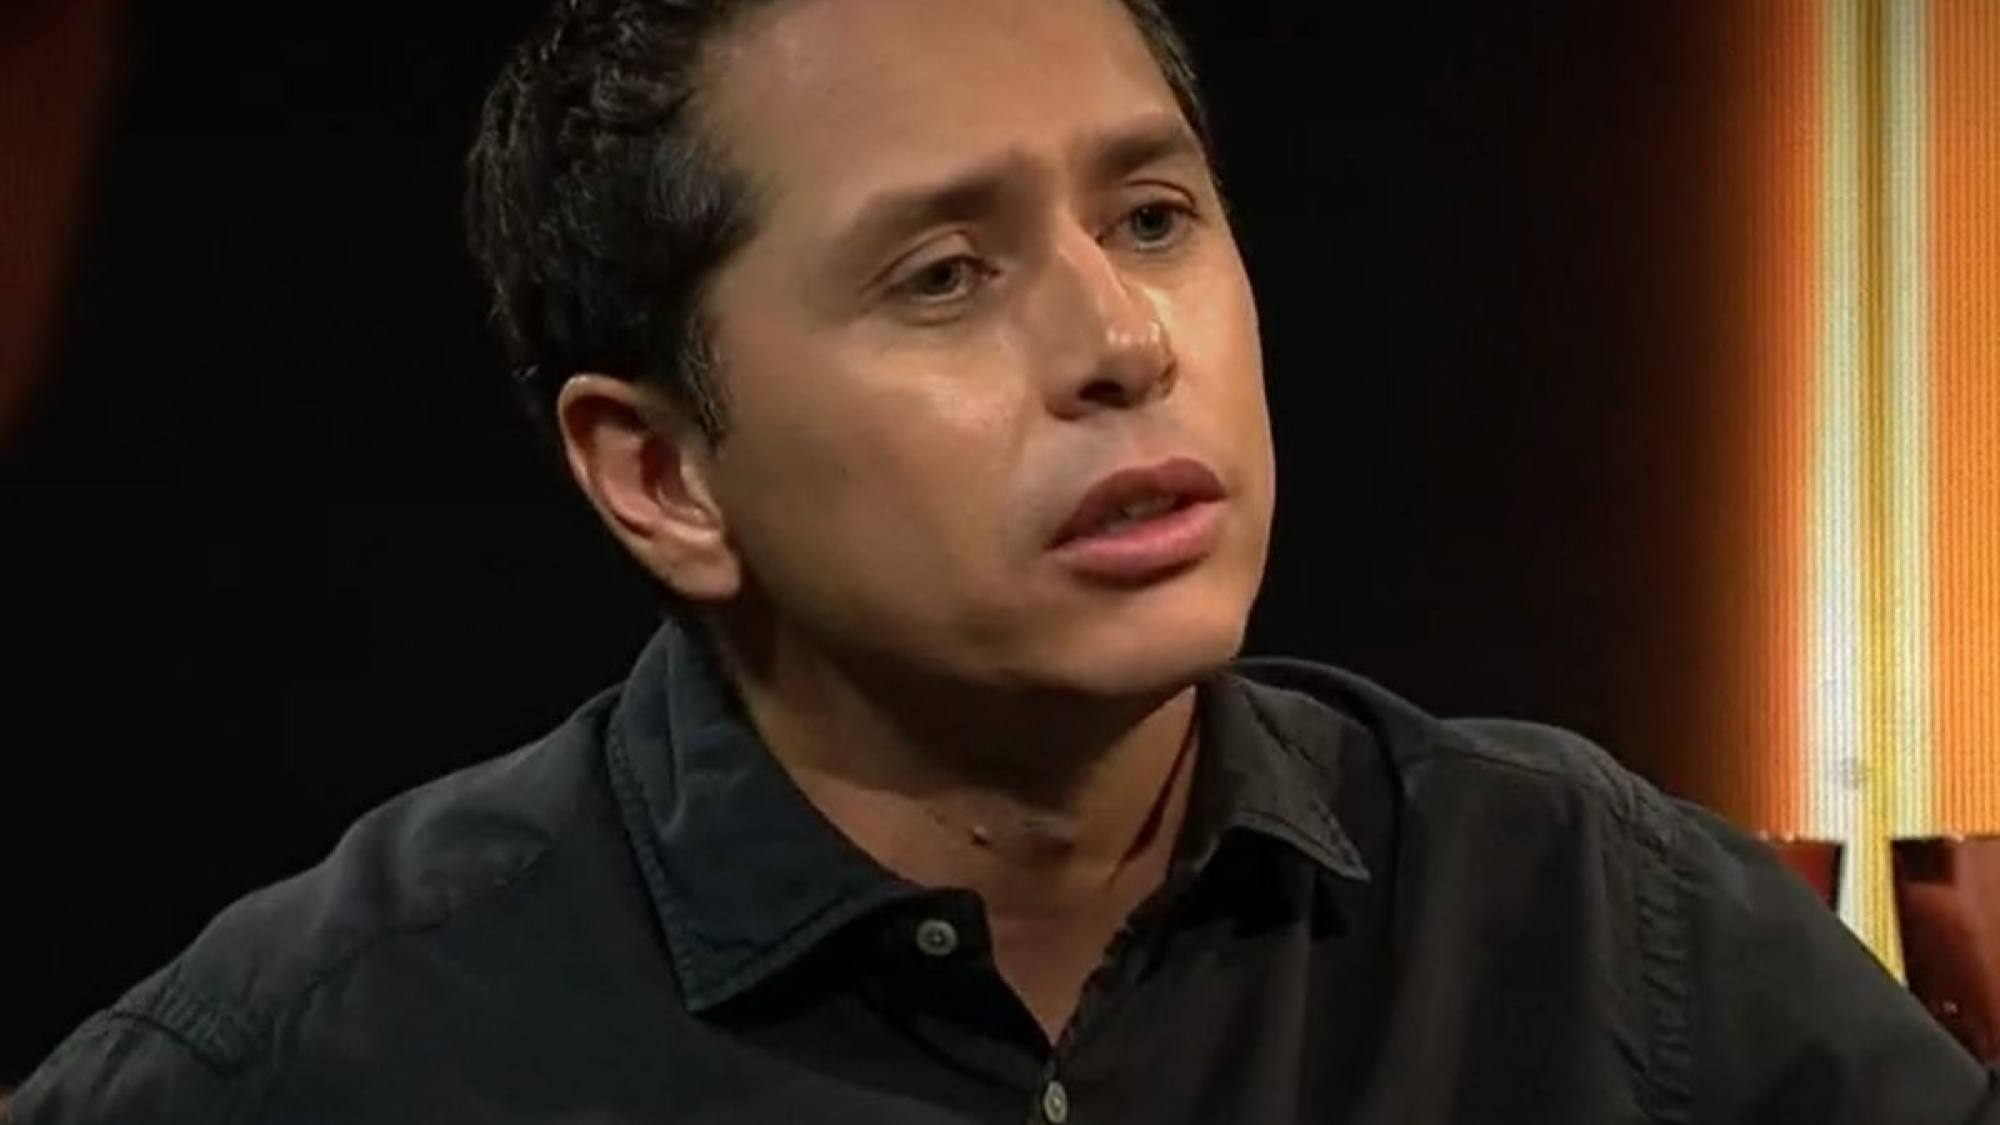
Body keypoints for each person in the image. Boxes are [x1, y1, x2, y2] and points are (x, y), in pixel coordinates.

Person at [10, 0, 1996, 1121]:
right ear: (663, 473)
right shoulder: (326, 1055)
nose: (1120, 341)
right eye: (945, 274)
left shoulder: (1595, 928)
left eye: (1150, 218)